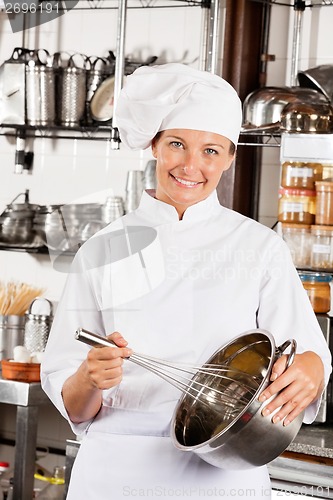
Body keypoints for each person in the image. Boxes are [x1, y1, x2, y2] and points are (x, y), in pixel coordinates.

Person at [41, 63, 332, 499]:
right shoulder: (100, 251)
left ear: (231, 157)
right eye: (177, 144)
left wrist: (311, 369)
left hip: (226, 472)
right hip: (119, 472)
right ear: (156, 145)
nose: (191, 165)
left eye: (212, 150)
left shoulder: (258, 247)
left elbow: (310, 358)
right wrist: (90, 376)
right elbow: (73, 403)